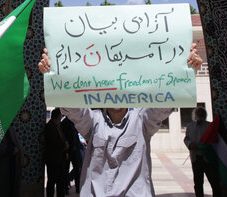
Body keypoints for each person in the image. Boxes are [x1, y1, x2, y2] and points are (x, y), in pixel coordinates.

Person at [38, 42, 202, 196]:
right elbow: (70, 106)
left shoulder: (142, 121)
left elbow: (166, 103)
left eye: (121, 87)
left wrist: (187, 70)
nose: (116, 93)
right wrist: (52, 74)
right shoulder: (93, 122)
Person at [184, 106, 222, 197]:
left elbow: (215, 140)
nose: (200, 115)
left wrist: (206, 146)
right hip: (196, 159)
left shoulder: (210, 126)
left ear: (205, 114)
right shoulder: (190, 126)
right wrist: (190, 144)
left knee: (214, 182)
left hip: (208, 158)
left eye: (202, 113)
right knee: (198, 183)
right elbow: (186, 139)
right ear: (195, 115)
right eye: (198, 113)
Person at [44, 108, 69, 197]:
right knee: (52, 180)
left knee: (60, 181)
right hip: (53, 159)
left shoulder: (59, 126)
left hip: (60, 158)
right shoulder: (49, 127)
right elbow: (53, 142)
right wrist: (64, 145)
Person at [61, 115, 84, 193]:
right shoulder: (65, 123)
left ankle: (77, 187)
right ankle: (66, 188)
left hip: (75, 150)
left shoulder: (73, 122)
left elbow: (76, 135)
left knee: (77, 169)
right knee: (66, 170)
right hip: (69, 150)